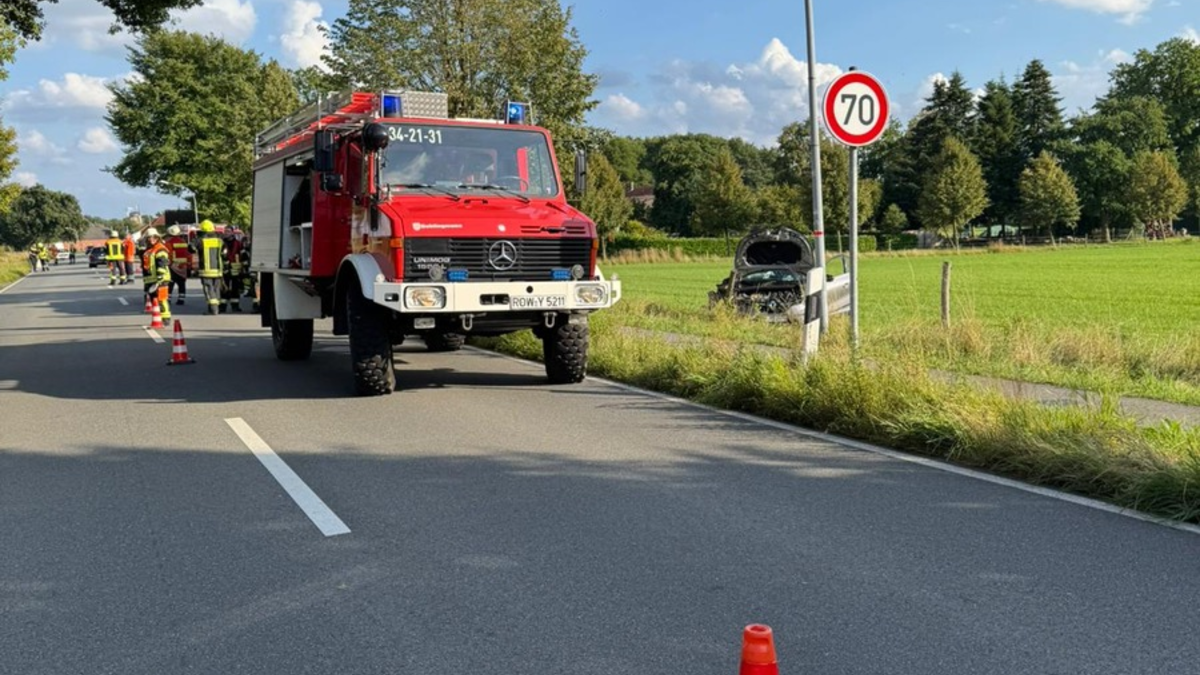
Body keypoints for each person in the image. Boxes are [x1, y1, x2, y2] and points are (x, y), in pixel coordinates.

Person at [140, 228, 172, 321]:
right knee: (154, 300)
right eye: (149, 238)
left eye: (153, 237)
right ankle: (158, 319)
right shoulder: (149, 250)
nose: (151, 239)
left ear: (157, 237)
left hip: (161, 279)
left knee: (162, 299)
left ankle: (165, 318)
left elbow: (162, 261)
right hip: (151, 279)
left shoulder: (160, 248)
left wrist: (160, 275)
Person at [195, 220, 224, 315]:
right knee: (216, 289)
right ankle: (217, 308)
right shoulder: (219, 240)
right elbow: (224, 253)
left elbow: (191, 248)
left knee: (208, 289)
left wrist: (196, 237)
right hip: (218, 270)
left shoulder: (200, 240)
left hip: (206, 270)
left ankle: (213, 309)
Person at [164, 225, 192, 305]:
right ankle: (181, 299)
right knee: (181, 283)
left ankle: (168, 299)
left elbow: (168, 255)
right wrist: (189, 266)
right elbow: (188, 254)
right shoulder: (183, 242)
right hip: (183, 266)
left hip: (173, 266)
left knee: (170, 283)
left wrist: (167, 264)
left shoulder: (168, 243)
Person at [221, 226, 246, 313]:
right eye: (225, 231)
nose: (226, 233)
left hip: (236, 270)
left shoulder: (238, 243)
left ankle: (235, 306)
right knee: (224, 288)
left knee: (235, 289)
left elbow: (243, 256)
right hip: (224, 270)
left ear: (232, 232)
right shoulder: (221, 243)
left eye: (228, 231)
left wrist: (244, 268)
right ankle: (222, 307)